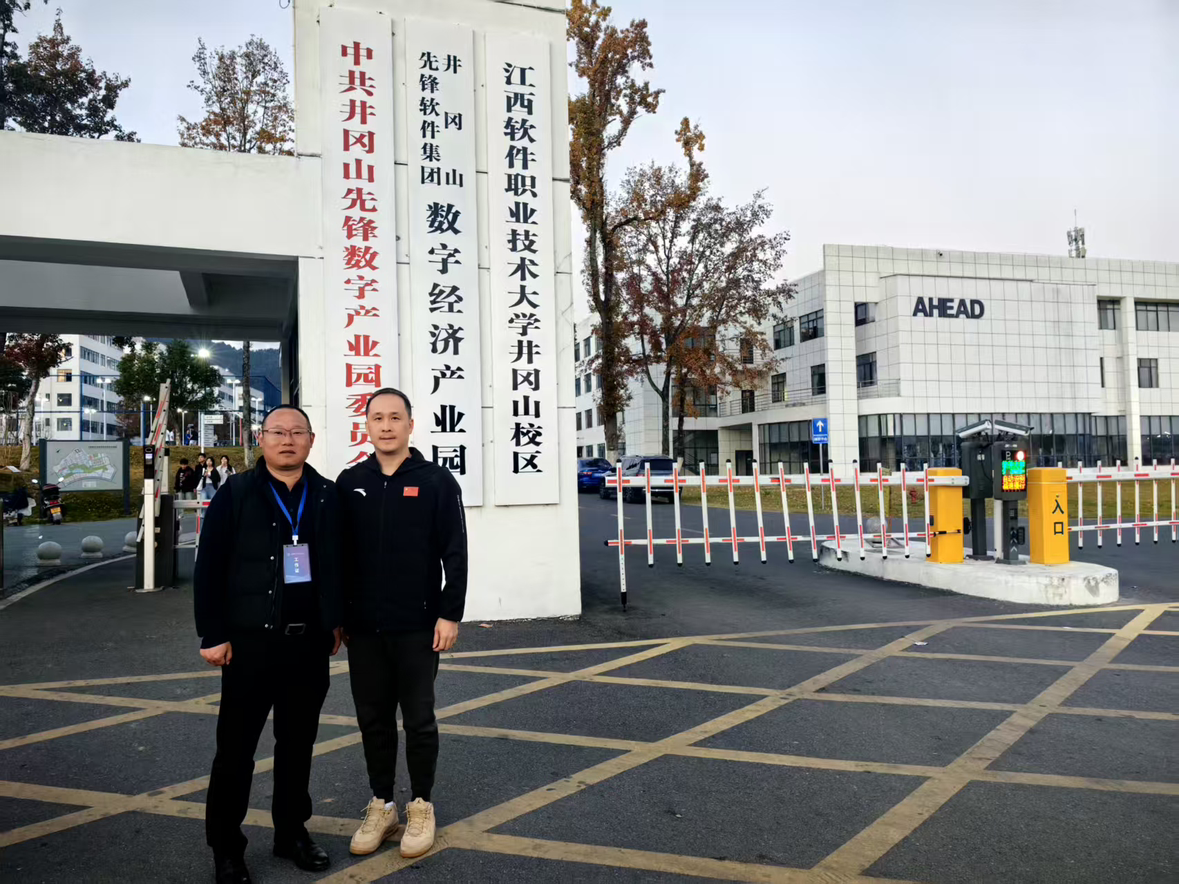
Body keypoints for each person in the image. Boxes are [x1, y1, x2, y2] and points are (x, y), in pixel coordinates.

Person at [194, 405, 344, 884]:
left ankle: (291, 833)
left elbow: (338, 564)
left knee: (297, 746)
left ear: (311, 440)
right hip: (249, 646)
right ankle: (226, 849)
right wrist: (213, 633)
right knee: (236, 752)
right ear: (261, 438)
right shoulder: (237, 493)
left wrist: (335, 621)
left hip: (308, 645)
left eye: (297, 432)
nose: (288, 440)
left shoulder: (328, 494)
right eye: (278, 432)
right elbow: (209, 566)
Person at [337, 387, 467, 859]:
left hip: (418, 625)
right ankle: (382, 805)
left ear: (411, 425)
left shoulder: (436, 481)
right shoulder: (351, 481)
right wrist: (337, 617)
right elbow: (338, 556)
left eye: (396, 417)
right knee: (373, 719)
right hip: (364, 628)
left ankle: (421, 805)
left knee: (418, 720)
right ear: (367, 426)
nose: (387, 426)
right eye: (378, 418)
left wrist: (450, 613)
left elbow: (455, 552)